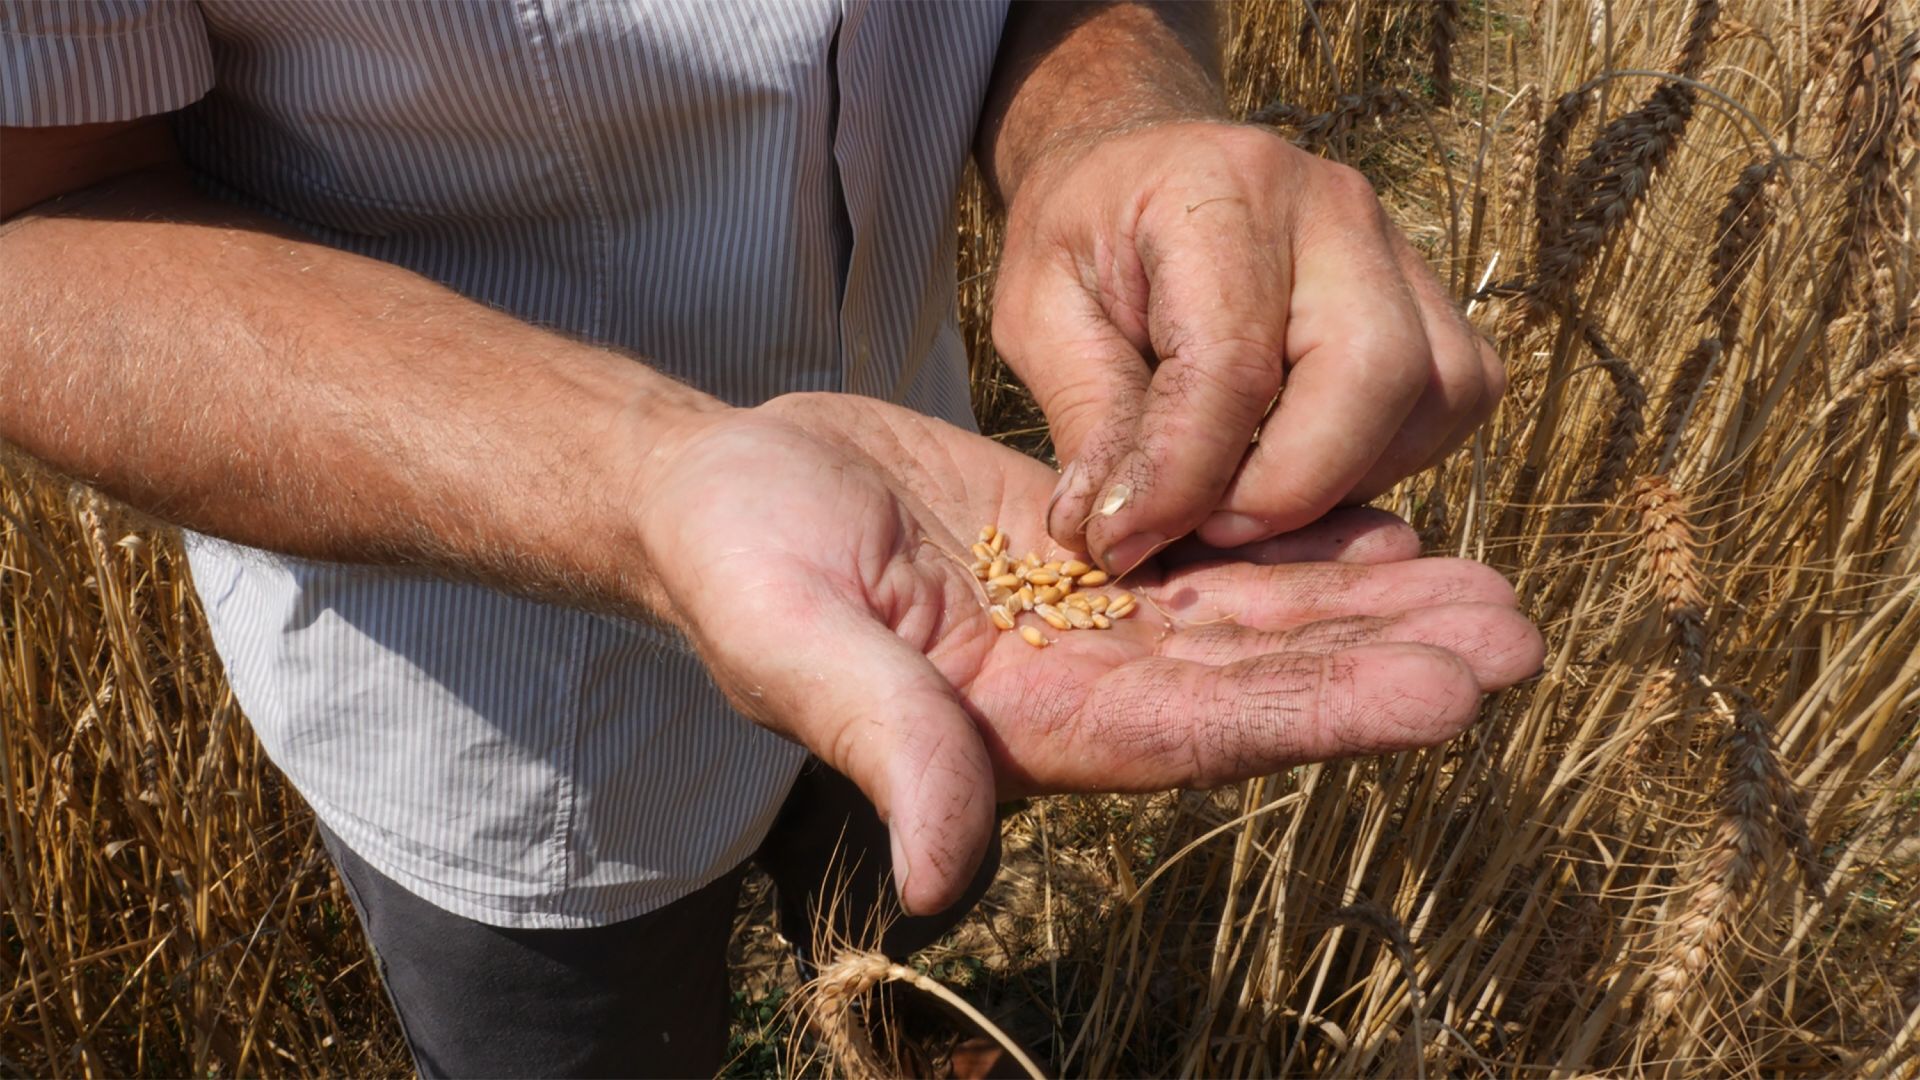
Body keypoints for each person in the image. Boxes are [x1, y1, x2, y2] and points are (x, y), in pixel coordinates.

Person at [1, 1, 1542, 1075]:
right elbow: (36, 235)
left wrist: (1108, 122)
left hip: (933, 533)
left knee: (886, 913)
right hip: (491, 700)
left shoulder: (970, 582)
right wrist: (647, 479)